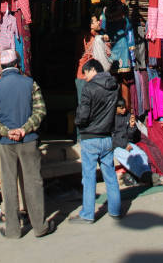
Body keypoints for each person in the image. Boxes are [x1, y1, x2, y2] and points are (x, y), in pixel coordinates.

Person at [0, 49, 55, 239]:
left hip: (6, 142)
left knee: (8, 184)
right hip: (28, 140)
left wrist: (7, 132)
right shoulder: (30, 84)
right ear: (18, 64)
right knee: (33, 182)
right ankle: (40, 226)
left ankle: (13, 230)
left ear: (2, 67)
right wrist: (25, 129)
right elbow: (40, 111)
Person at [69, 59, 121, 224]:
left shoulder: (89, 88)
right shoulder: (114, 86)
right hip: (106, 137)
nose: (84, 77)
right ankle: (115, 210)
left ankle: (88, 214)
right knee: (110, 175)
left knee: (89, 177)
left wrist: (77, 121)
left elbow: (83, 114)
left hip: (90, 138)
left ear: (92, 70)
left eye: (85, 73)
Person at [112, 99, 152, 186]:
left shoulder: (128, 116)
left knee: (140, 154)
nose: (124, 110)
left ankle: (147, 173)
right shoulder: (111, 119)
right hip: (117, 146)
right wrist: (124, 144)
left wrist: (131, 126)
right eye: (121, 108)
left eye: (124, 108)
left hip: (128, 143)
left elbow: (130, 136)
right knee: (128, 157)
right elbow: (112, 137)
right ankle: (143, 175)